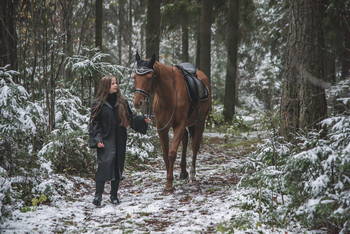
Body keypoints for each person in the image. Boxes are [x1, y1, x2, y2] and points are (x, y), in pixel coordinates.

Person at [89, 75, 150, 206]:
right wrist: (97, 139)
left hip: (120, 139)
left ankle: (113, 195)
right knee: (104, 165)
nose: (115, 85)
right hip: (105, 139)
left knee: (117, 167)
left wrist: (142, 120)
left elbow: (130, 118)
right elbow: (95, 123)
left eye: (116, 83)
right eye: (112, 84)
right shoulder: (98, 103)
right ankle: (98, 195)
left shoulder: (122, 102)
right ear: (106, 86)